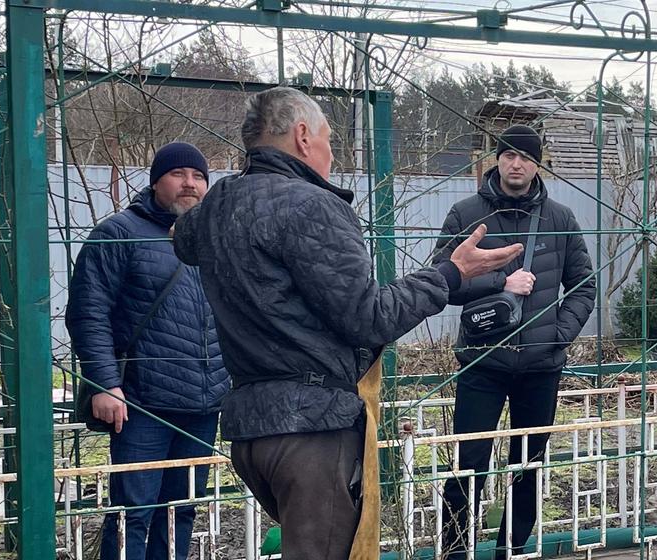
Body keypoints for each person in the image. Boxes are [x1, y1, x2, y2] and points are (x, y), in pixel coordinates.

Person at [171, 87, 522, 559]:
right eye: (329, 140)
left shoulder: (216, 205)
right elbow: (370, 317)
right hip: (312, 431)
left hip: (251, 427)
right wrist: (449, 274)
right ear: (301, 136)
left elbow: (181, 236)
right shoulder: (312, 205)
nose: (333, 154)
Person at [433, 124, 597, 560]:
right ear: (497, 160)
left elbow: (583, 285)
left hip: (540, 366)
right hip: (482, 361)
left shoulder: (561, 218)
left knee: (528, 467)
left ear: (537, 163)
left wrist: (558, 335)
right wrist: (500, 281)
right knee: (468, 464)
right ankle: (454, 550)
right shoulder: (466, 214)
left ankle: (513, 549)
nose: (516, 163)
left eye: (525, 156)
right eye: (508, 155)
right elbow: (440, 284)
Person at [66, 141, 227, 560]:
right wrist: (104, 384)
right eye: (178, 175)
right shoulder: (117, 234)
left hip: (204, 403)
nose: (189, 184)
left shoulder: (214, 239)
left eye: (198, 176)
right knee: (132, 512)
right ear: (156, 181)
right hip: (141, 404)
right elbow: (88, 313)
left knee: (181, 510)